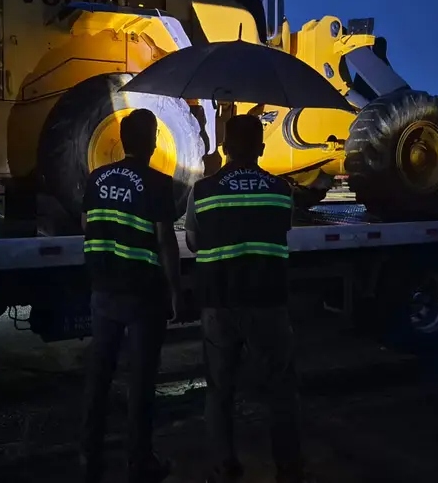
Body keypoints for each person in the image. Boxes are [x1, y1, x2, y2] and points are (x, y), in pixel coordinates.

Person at [184, 114, 310, 483]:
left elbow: (192, 242)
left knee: (220, 390)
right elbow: (281, 230)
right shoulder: (280, 189)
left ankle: (225, 468)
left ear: (224, 148)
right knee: (281, 390)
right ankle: (289, 469)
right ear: (261, 147)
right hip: (268, 301)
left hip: (219, 303)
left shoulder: (203, 191)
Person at [80, 108, 184, 483]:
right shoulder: (157, 182)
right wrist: (175, 289)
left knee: (100, 375)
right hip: (143, 294)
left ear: (123, 140)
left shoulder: (97, 177)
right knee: (141, 380)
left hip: (103, 289)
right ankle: (139, 460)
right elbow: (165, 241)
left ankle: (89, 453)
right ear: (152, 141)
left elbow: (86, 224)